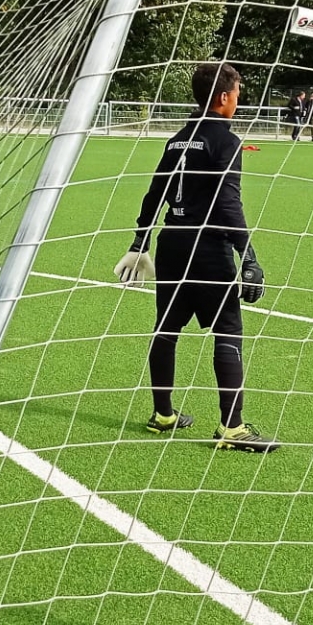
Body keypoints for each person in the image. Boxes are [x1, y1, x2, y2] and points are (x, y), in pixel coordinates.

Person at [115, 61, 277, 452]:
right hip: (208, 248)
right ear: (223, 97)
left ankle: (163, 415)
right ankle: (232, 428)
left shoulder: (176, 140)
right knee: (228, 329)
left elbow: (154, 194)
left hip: (172, 242)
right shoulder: (226, 141)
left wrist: (141, 242)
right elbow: (228, 203)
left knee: (166, 328)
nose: (239, 100)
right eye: (237, 93)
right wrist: (248, 255)